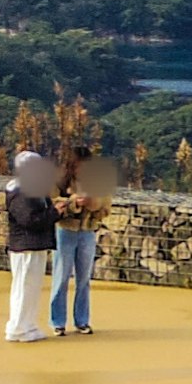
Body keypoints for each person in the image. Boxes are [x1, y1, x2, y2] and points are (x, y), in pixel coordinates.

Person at [48, 130, 111, 335]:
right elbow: (51, 203)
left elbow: (106, 207)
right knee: (61, 277)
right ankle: (57, 321)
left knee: (84, 279)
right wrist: (74, 202)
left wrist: (93, 202)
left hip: (87, 232)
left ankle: (82, 320)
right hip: (65, 231)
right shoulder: (59, 181)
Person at [3, 134, 61, 342]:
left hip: (33, 245)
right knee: (24, 286)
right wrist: (55, 213)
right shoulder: (19, 191)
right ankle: (18, 327)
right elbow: (29, 220)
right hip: (25, 246)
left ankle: (27, 325)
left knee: (31, 287)